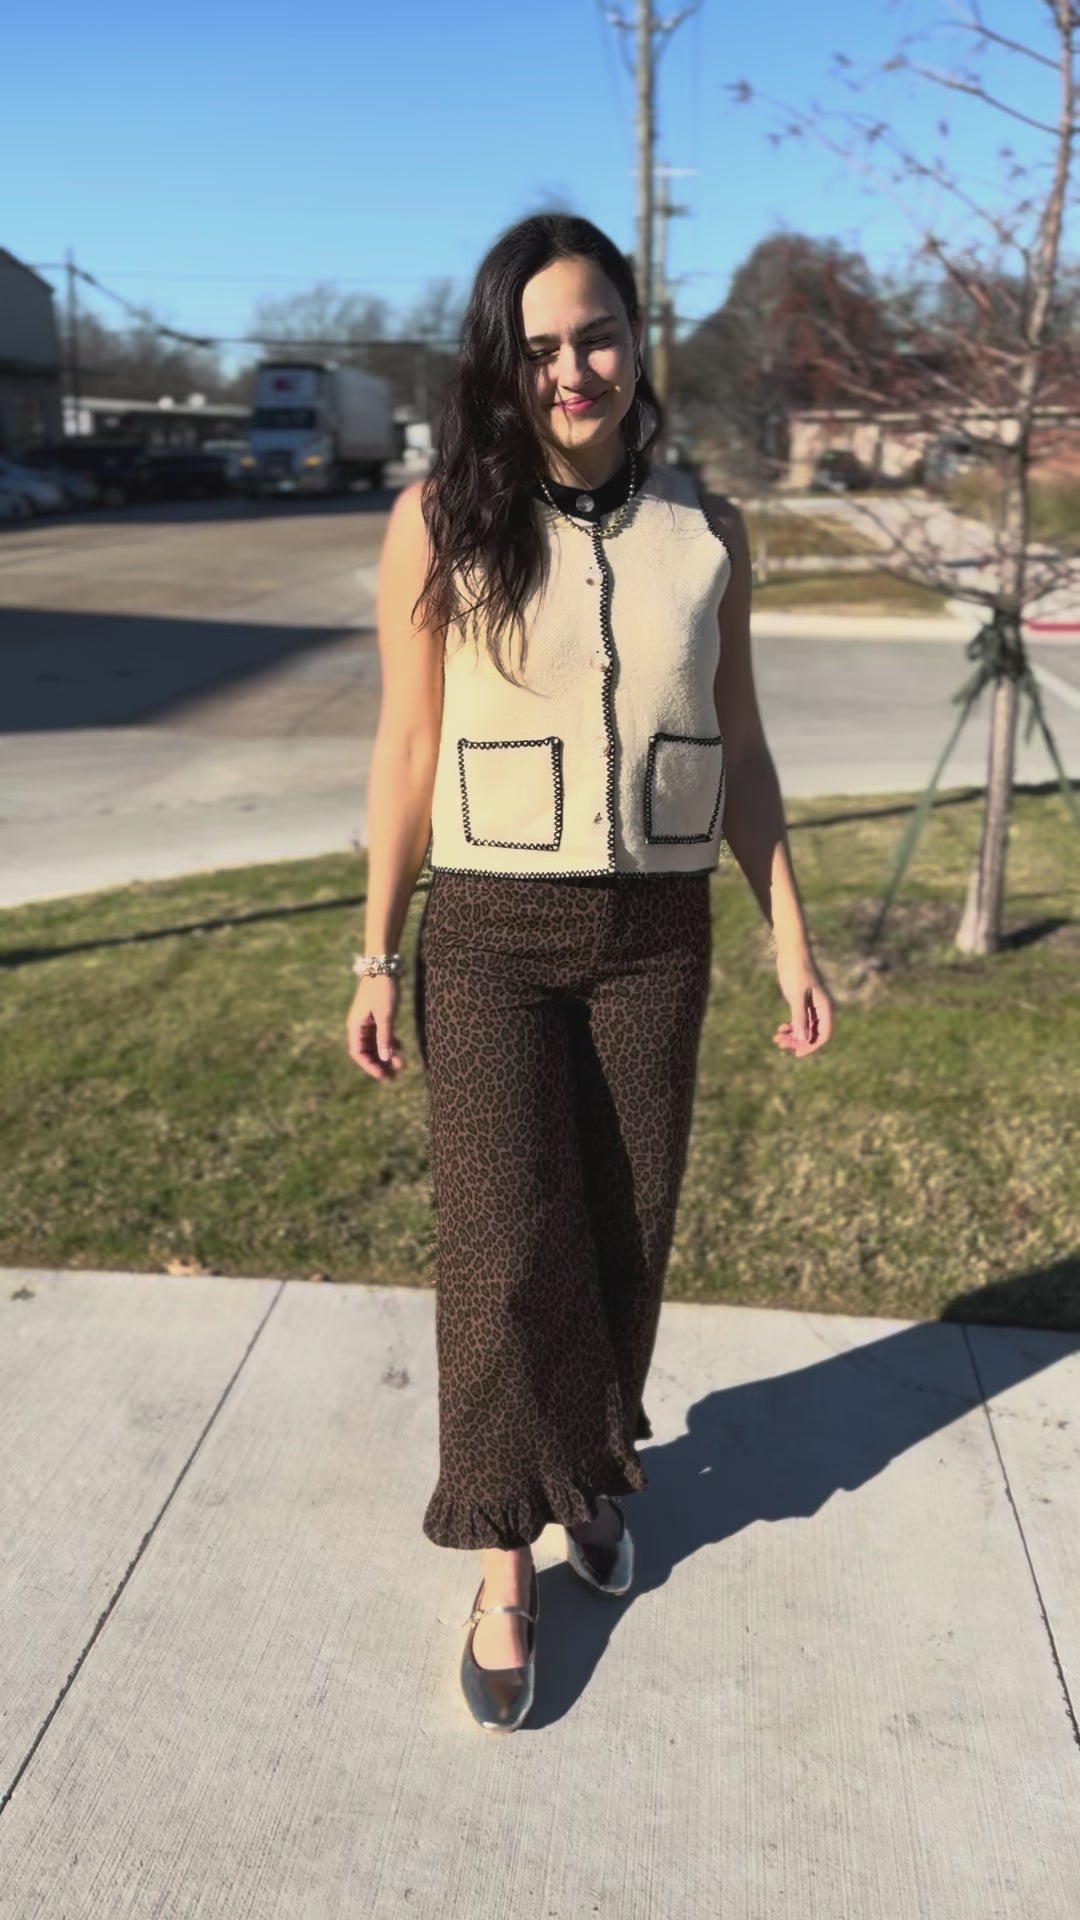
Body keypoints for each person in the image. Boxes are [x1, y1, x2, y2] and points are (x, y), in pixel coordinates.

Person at [346, 212, 834, 1734]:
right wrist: (376, 952)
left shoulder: (708, 531)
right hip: (491, 933)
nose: (574, 370)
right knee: (506, 1249)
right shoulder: (442, 517)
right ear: (503, 363)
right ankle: (506, 1557)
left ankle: (592, 1472)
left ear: (638, 337)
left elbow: (743, 747)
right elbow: (406, 746)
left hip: (655, 939)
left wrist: (790, 931)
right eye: (541, 346)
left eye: (598, 334)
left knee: (625, 1233)